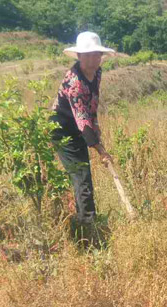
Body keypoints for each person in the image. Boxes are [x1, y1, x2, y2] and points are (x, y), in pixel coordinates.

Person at [50, 31, 115, 231]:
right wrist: (101, 150)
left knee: (83, 175)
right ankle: (88, 227)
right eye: (87, 55)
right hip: (63, 130)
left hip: (79, 126)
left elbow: (92, 103)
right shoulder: (74, 82)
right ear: (79, 56)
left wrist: (97, 131)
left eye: (96, 54)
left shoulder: (97, 72)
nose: (93, 59)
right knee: (82, 177)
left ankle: (87, 219)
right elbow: (82, 119)